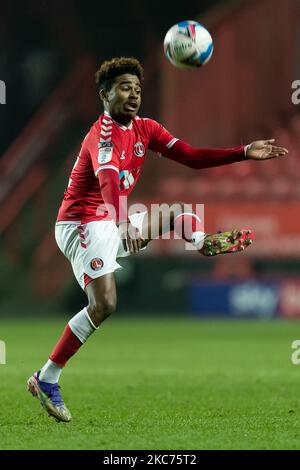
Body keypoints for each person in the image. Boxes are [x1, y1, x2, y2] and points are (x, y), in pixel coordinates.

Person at [27, 57, 288, 422]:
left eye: (136, 89)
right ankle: (47, 378)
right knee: (104, 304)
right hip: (81, 223)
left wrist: (242, 152)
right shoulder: (101, 135)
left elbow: (191, 157)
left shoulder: (145, 128)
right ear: (105, 94)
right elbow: (107, 182)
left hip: (107, 219)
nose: (133, 95)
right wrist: (122, 223)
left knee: (174, 211)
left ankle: (201, 241)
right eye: (123, 88)